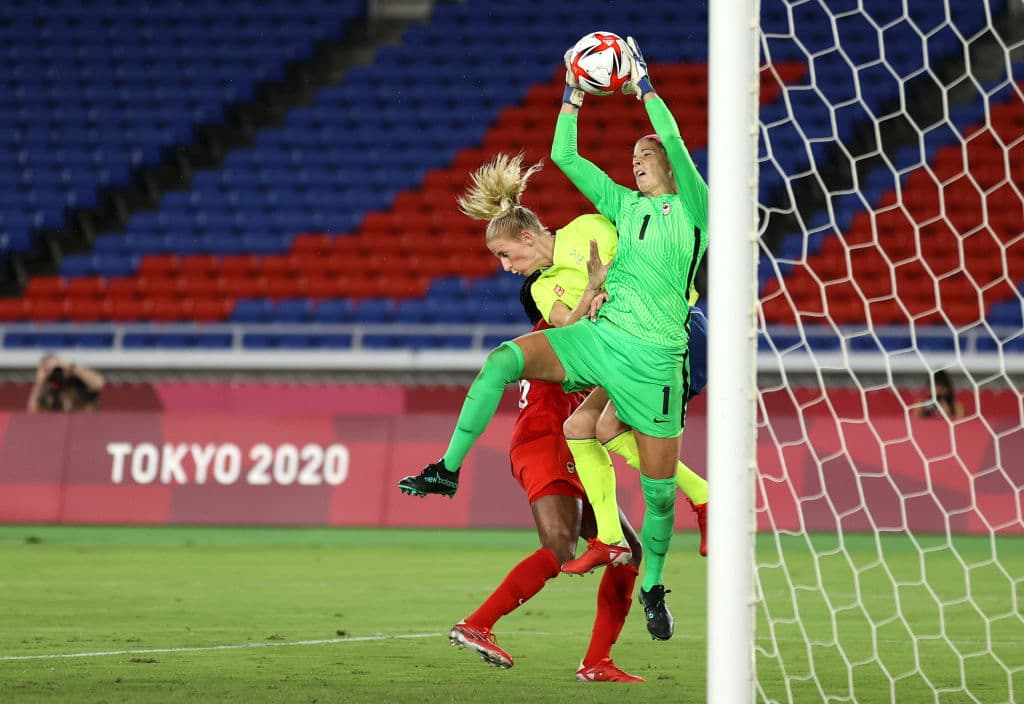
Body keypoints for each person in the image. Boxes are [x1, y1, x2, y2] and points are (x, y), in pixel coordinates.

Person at [398, 36, 707, 642]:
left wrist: (642, 86)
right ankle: (450, 469)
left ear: (672, 168)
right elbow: (565, 155)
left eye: (648, 156)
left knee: (659, 492)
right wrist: (573, 93)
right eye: (635, 157)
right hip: (604, 339)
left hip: (661, 352)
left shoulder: (694, 207)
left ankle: (654, 582)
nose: (638, 159)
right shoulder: (619, 207)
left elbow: (669, 137)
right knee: (522, 376)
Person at [447, 264, 644, 682]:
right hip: (548, 441)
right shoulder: (552, 331)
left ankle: (596, 662)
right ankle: (477, 624)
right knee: (559, 546)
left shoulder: (581, 333)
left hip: (562, 443)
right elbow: (568, 328)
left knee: (627, 547)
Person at [27, 354, 104, 412]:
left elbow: (99, 384)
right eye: (48, 369)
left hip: (86, 425)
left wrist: (69, 367)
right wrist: (38, 383)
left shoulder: (78, 381)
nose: (55, 372)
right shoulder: (48, 391)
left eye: (57, 368)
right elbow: (33, 414)